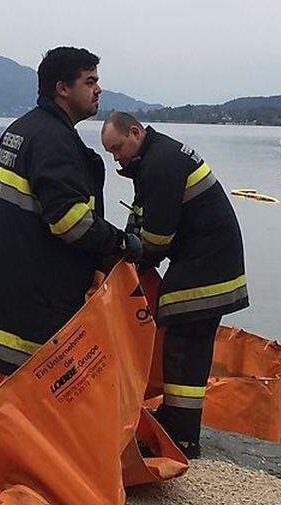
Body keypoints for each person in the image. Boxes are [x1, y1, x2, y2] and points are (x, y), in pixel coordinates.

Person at [0, 47, 143, 376]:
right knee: (52, 411)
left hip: (8, 299)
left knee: (22, 408)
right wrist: (121, 244)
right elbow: (71, 224)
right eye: (89, 81)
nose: (98, 89)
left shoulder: (20, 131)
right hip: (38, 308)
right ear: (62, 88)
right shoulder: (53, 142)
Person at [100, 111, 249, 458]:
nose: (116, 157)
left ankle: (181, 436)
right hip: (209, 265)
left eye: (118, 148)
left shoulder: (160, 165)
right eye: (110, 152)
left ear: (135, 132)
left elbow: (156, 238)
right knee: (184, 347)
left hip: (206, 270)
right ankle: (177, 421)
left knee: (183, 348)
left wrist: (123, 260)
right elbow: (143, 217)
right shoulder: (156, 157)